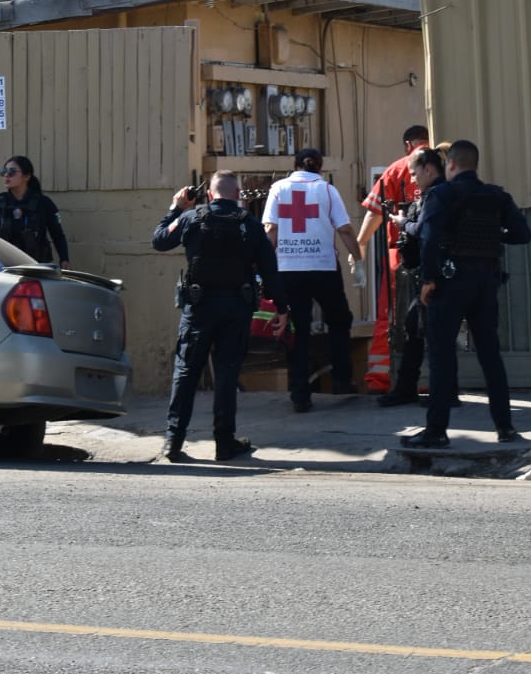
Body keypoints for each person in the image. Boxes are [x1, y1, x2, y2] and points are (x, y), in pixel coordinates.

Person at [152, 170, 287, 462]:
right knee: (226, 375)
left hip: (199, 309)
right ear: (238, 195)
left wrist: (176, 207)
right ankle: (224, 442)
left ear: (210, 194)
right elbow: (270, 270)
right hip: (235, 309)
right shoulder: (249, 225)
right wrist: (282, 307)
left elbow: (160, 240)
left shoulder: (191, 218)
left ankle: (173, 442)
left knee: (186, 372)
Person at [407, 139, 531, 448]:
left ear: (450, 164)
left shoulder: (442, 194)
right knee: (491, 355)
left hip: (449, 283)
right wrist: (493, 233)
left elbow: (429, 238)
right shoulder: (496, 196)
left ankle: (436, 431)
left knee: (441, 355)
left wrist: (428, 279)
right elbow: (522, 234)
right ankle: (505, 427)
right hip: (485, 283)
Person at [263, 147, 362, 412]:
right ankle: (342, 377)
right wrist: (358, 259)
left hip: (288, 269)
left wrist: (264, 267)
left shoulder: (278, 189)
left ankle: (299, 394)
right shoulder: (327, 190)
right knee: (339, 320)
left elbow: (271, 230)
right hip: (323, 267)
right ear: (319, 167)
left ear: (295, 166)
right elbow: (345, 229)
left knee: (298, 329)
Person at [356, 124, 431, 391]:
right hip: (437, 251)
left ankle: (383, 377)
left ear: (407, 145)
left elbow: (375, 212)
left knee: (392, 315)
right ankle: (432, 377)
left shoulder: (398, 169)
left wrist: (360, 246)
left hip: (399, 255)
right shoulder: (441, 163)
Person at [377, 146, 448, 407]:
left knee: (433, 334)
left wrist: (402, 223)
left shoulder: (437, 196)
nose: (413, 179)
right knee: (413, 327)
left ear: (428, 169)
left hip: (437, 279)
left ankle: (442, 394)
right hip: (436, 276)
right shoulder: (436, 194)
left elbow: (426, 234)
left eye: (414, 173)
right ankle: (409, 387)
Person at [0, 155, 70, 267]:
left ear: (26, 176)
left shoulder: (43, 203)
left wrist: (64, 259)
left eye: (12, 171)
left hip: (36, 265)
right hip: (5, 265)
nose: (6, 175)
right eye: (4, 171)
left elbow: (58, 235)